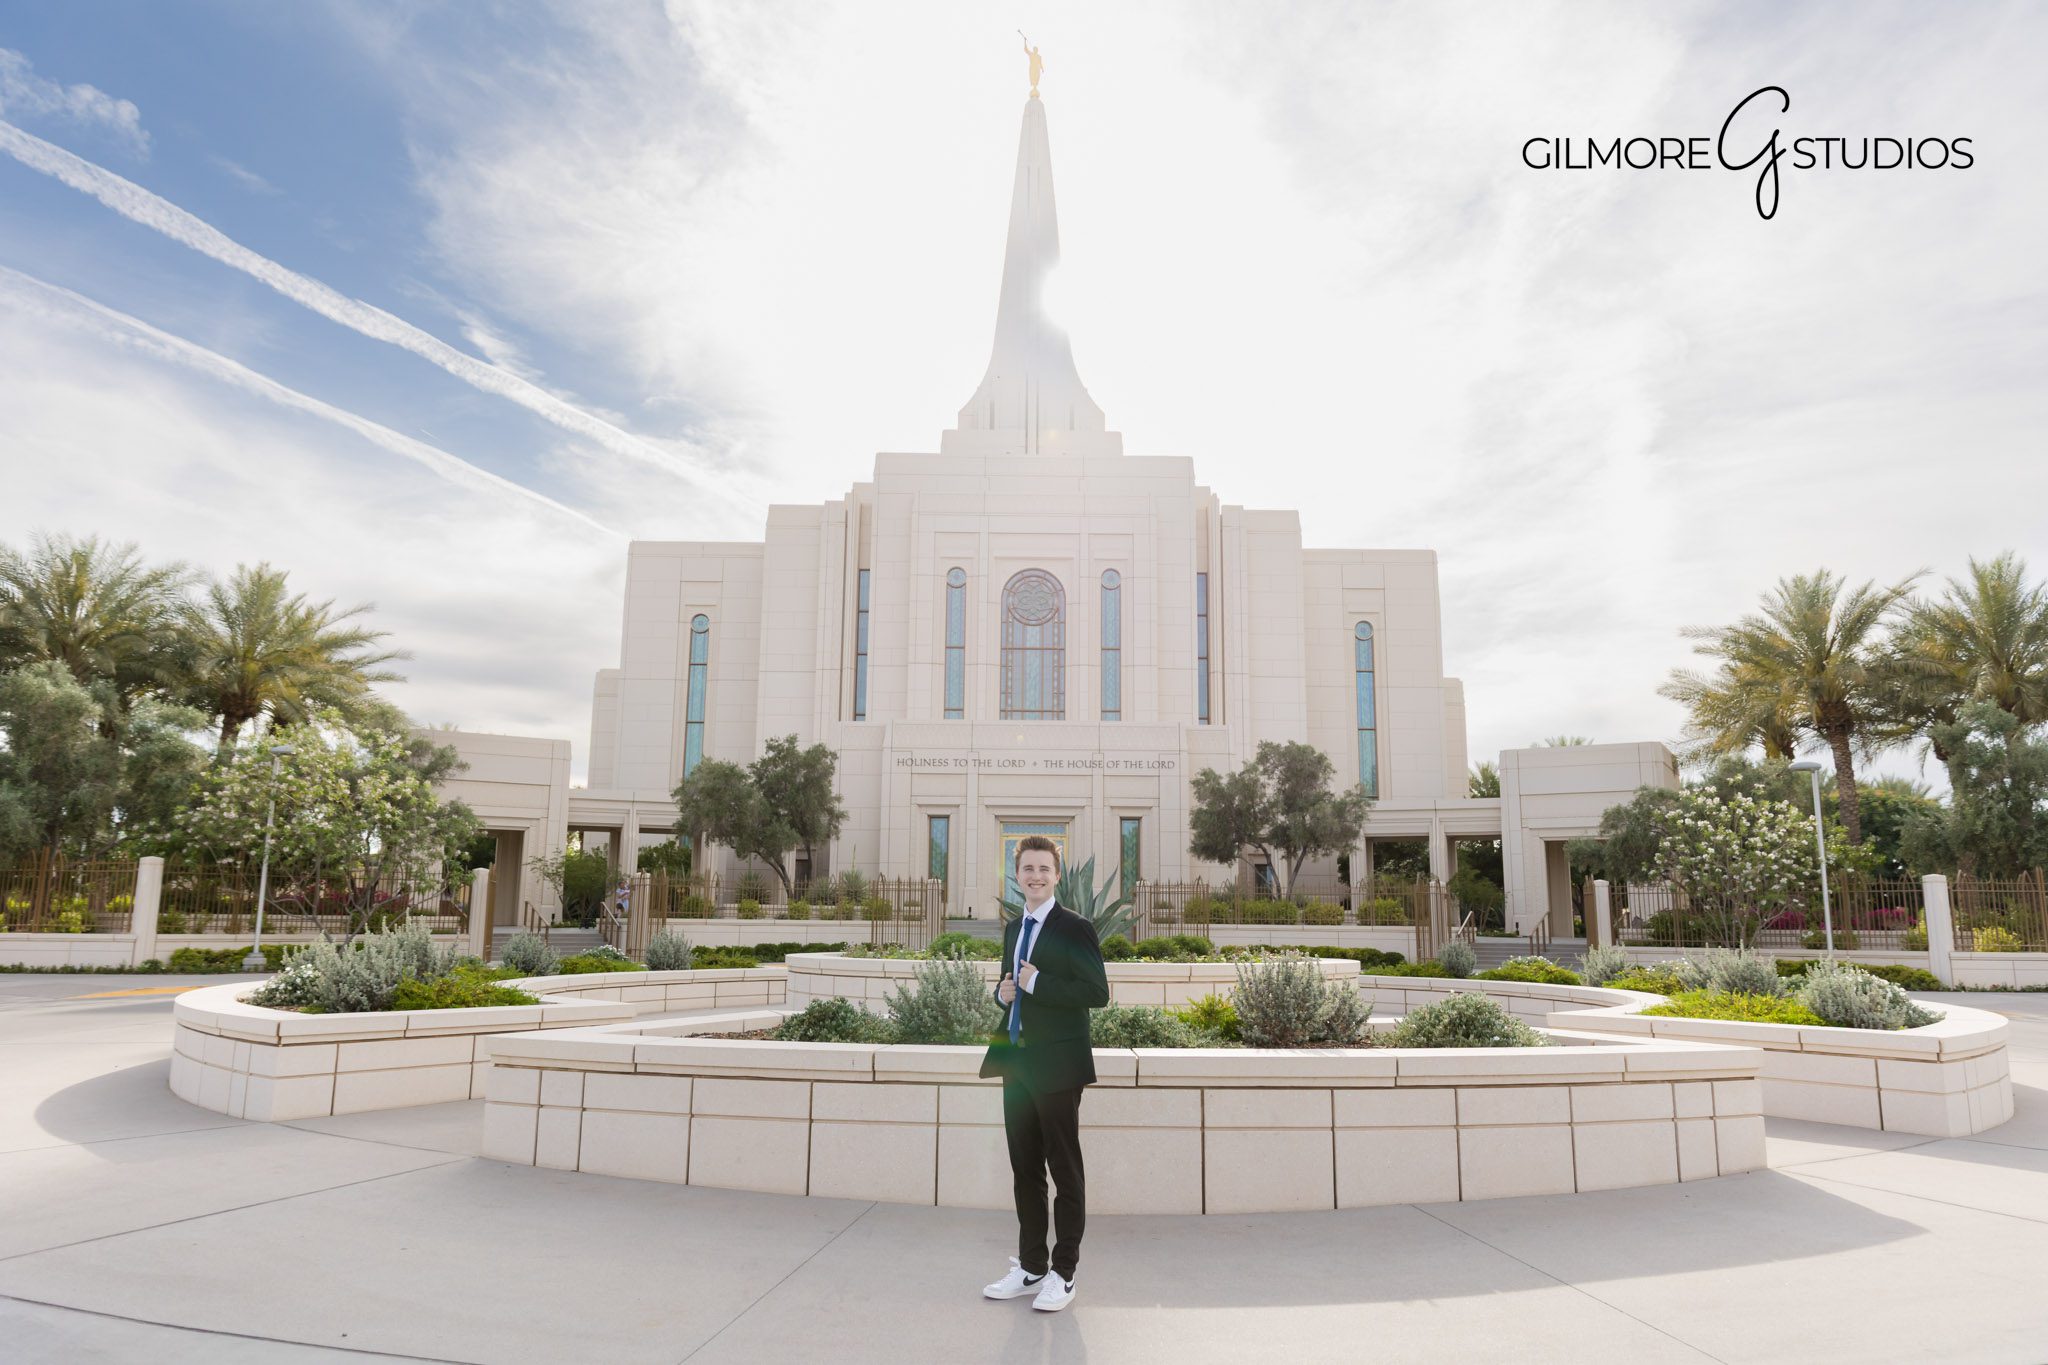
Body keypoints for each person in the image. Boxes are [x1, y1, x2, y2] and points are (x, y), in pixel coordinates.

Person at [979, 836, 1109, 1312]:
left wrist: (1038, 982)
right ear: (1018, 875)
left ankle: (1064, 1273)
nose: (1035, 876)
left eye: (1044, 869)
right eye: (1027, 869)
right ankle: (1032, 1266)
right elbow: (1008, 985)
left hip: (1057, 1066)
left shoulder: (1075, 927)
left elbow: (1097, 992)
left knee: (1064, 1171)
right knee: (1025, 1170)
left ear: (1057, 875)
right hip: (1017, 1062)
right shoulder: (1015, 929)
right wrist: (1004, 993)